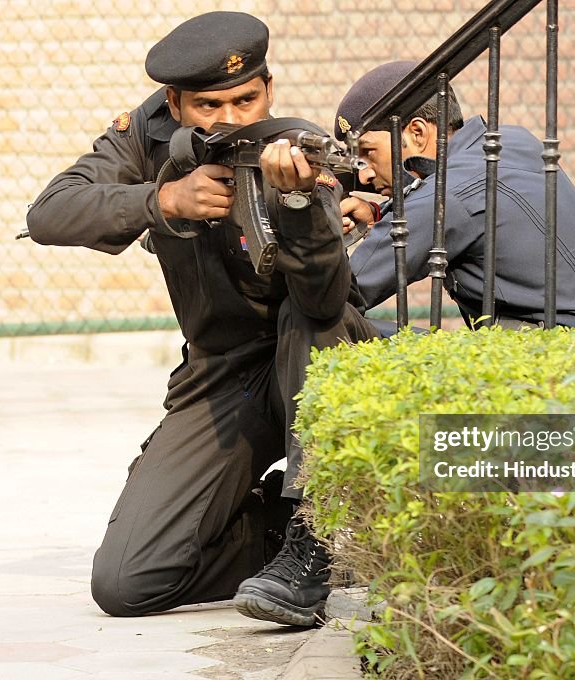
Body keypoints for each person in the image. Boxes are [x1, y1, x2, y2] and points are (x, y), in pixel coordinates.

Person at [25, 12, 377, 627]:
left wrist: (298, 205)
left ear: (269, 88)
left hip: (312, 355)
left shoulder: (299, 149)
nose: (233, 118)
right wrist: (161, 200)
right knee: (125, 584)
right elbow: (51, 213)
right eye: (209, 105)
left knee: (307, 319)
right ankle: (277, 534)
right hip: (220, 375)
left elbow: (325, 301)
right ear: (174, 102)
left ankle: (316, 535)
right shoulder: (144, 136)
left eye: (247, 98)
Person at [335, 61, 575, 329]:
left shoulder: (445, 197)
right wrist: (378, 215)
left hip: (559, 354)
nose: (364, 175)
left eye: (368, 152)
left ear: (417, 133)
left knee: (337, 330)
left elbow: (340, 296)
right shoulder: (508, 141)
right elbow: (458, 204)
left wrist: (315, 233)